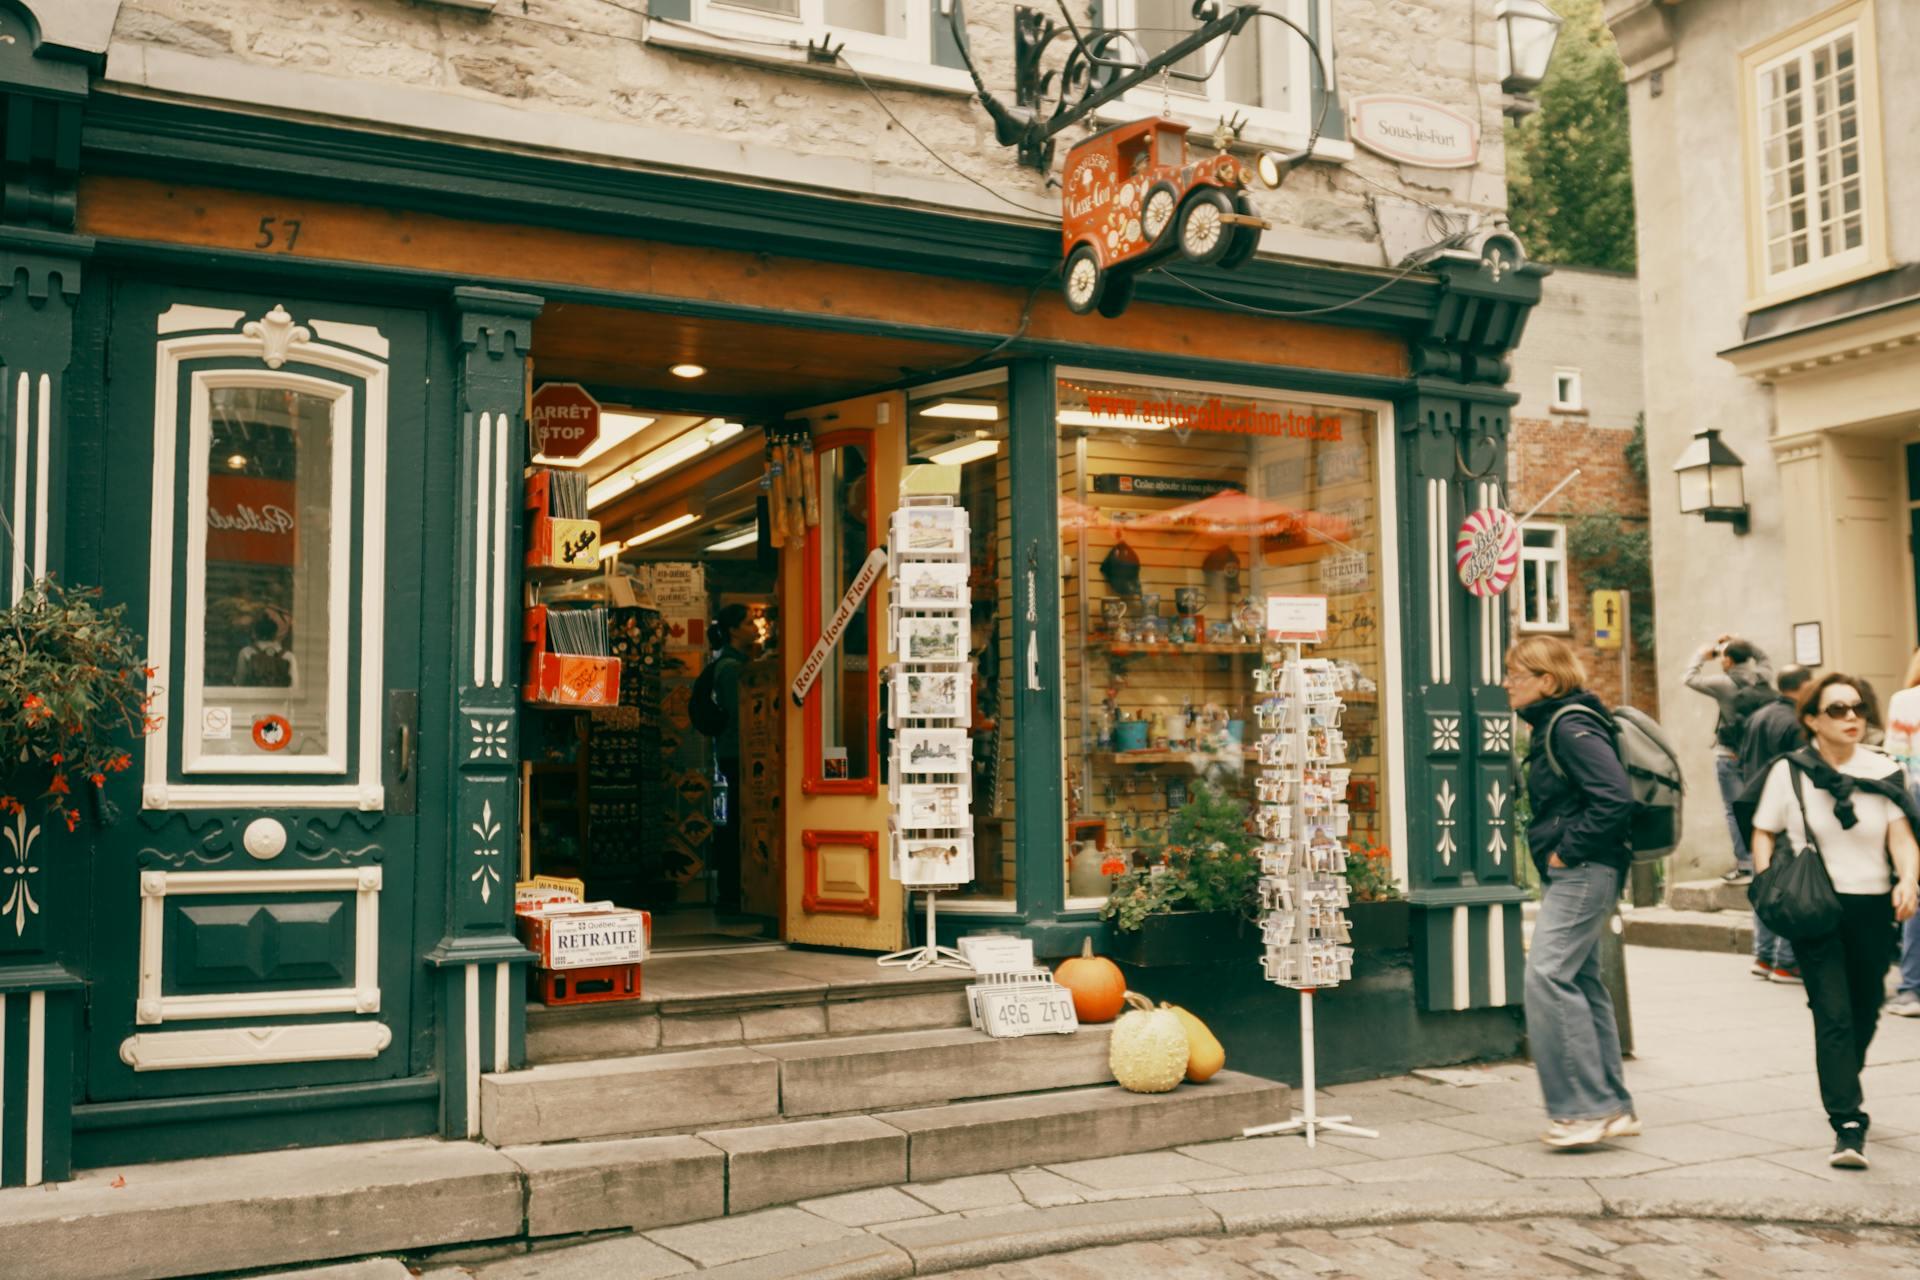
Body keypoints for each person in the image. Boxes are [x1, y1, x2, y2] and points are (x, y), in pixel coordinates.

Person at [1744, 673, 1920, 1169]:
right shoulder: (1791, 771)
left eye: (1858, 709)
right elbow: (1763, 830)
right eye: (1838, 710)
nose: (1851, 718)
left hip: (1873, 906)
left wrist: (1908, 880)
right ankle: (1847, 1124)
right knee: (1834, 1014)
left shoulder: (1885, 770)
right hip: (1814, 907)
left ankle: (1843, 1076)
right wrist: (1766, 884)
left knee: (1865, 1010)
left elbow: (1901, 836)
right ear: (1812, 719)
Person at [1506, 635, 1638, 1149]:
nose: (1506, 684)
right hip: (1585, 869)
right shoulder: (1564, 723)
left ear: (1547, 680)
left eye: (1516, 675)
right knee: (1580, 982)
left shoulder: (1571, 726)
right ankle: (1613, 1106)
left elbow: (1613, 798)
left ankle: (1584, 1109)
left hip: (1583, 869)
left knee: (1546, 977)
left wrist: (1567, 849)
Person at [1736, 664, 1812, 983]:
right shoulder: (1795, 722)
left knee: (1766, 881)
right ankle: (1786, 960)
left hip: (1755, 804)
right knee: (1788, 885)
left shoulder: (1758, 716)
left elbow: (1740, 760)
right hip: (1783, 809)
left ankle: (1763, 955)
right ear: (1805, 686)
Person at [1684, 636, 1774, 884]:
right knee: (1759, 807)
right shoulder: (1763, 676)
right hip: (1757, 754)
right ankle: (1763, 859)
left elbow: (1689, 678)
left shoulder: (1723, 683)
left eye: (1723, 656)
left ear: (1729, 660)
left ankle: (1745, 864)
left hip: (1730, 754)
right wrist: (1739, 640)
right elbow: (1764, 656)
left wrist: (1703, 655)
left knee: (1734, 810)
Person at [707, 605, 757, 912]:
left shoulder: (733, 664)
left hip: (733, 752)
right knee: (736, 821)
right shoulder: (731, 669)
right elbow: (740, 716)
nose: (755, 628)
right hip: (736, 754)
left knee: (736, 820)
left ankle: (734, 888)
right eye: (749, 623)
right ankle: (731, 889)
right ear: (734, 630)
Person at [1882, 651, 1920, 1016]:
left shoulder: (1905, 701)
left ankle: (1912, 988)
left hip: (1917, 793)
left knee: (1915, 887)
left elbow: (1897, 760)